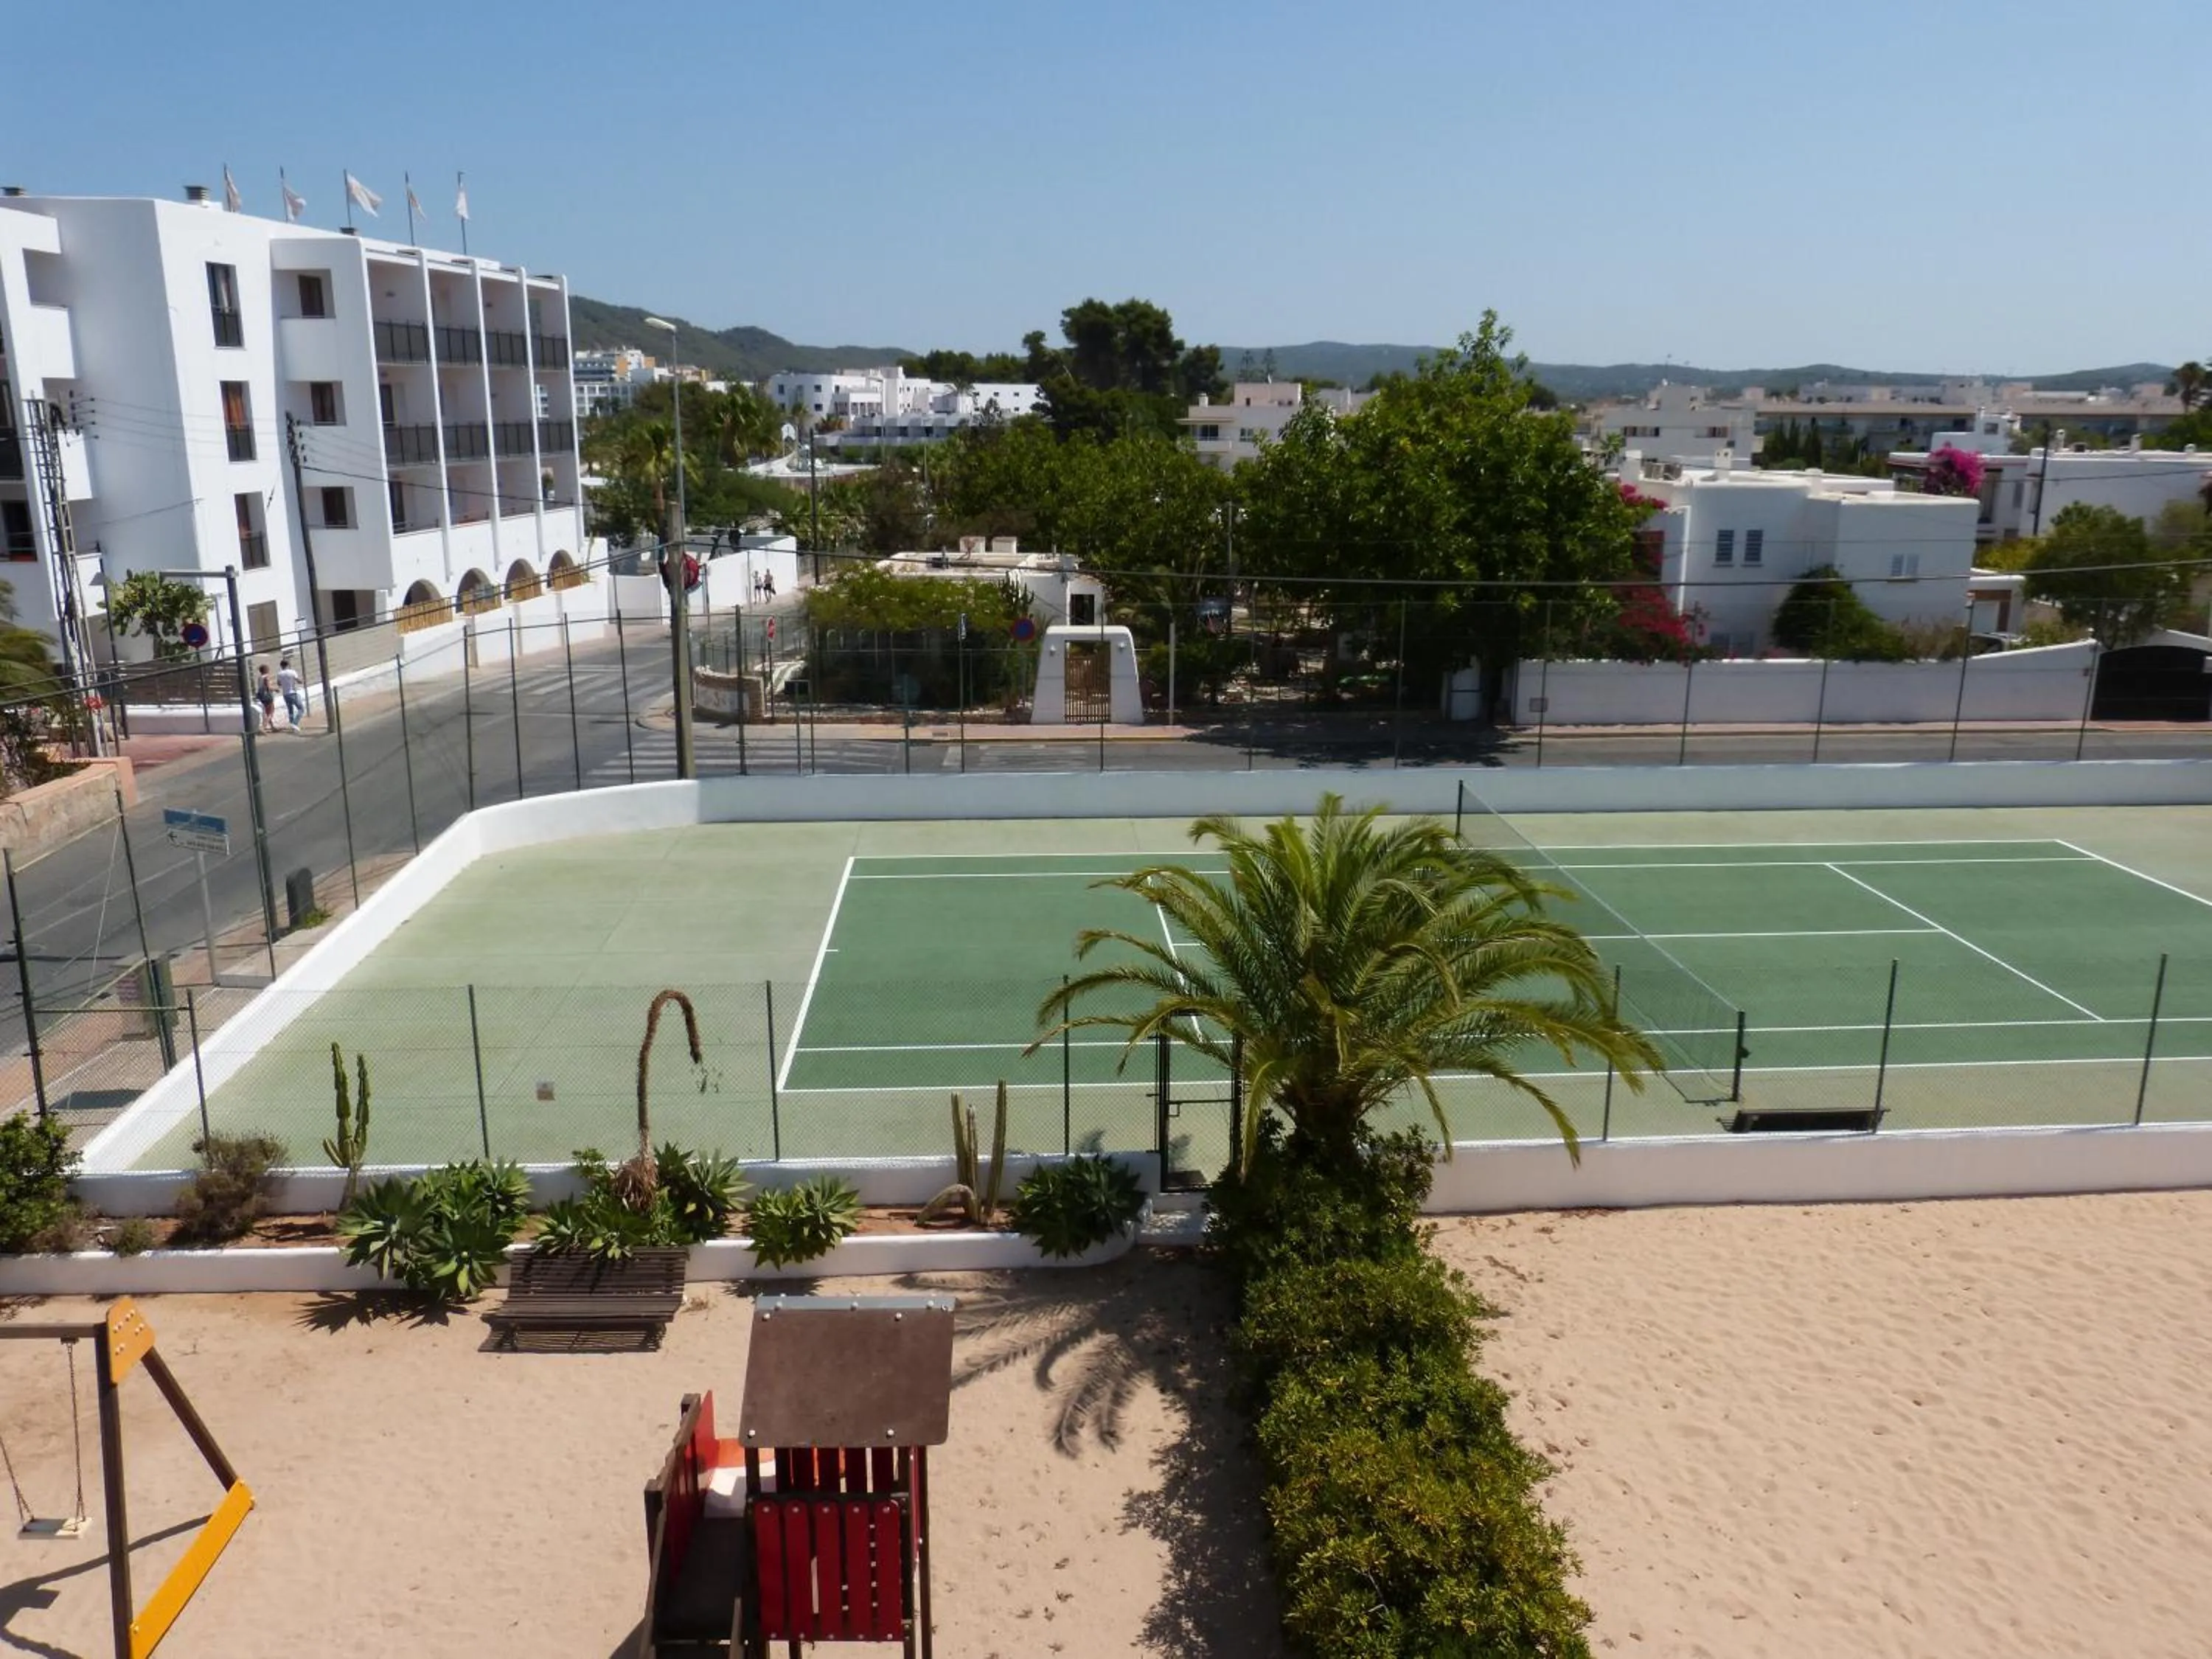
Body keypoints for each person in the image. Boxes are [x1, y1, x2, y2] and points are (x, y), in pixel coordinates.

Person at [276, 656, 307, 732]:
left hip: (285, 694)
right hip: (293, 693)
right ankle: (295, 723)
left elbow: (279, 684)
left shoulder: (279, 674)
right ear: (288, 665)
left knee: (290, 710)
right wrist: (303, 681)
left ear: (281, 666)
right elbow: (299, 681)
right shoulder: (292, 672)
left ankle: (292, 726)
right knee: (301, 709)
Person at [254, 664, 277, 734]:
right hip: (268, 696)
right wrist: (276, 689)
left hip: (262, 696)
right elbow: (269, 687)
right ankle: (263, 727)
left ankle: (272, 726)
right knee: (271, 712)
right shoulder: (266, 677)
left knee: (267, 711)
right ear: (266, 670)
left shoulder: (260, 677)